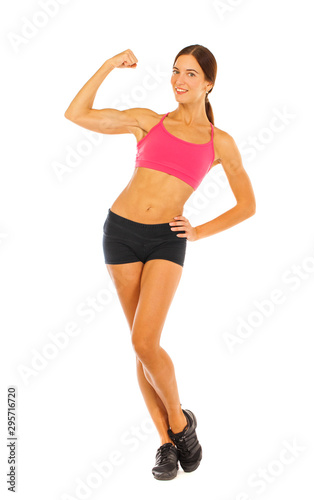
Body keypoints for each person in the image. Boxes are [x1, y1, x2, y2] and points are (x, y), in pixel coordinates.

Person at [64, 45, 256, 481]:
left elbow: (247, 205)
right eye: (174, 72)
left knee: (145, 341)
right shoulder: (149, 121)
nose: (179, 81)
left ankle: (181, 421)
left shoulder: (218, 142)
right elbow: (77, 114)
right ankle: (168, 441)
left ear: (208, 84)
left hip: (166, 240)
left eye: (190, 74)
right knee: (140, 343)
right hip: (121, 234)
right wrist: (109, 64)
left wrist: (199, 230)